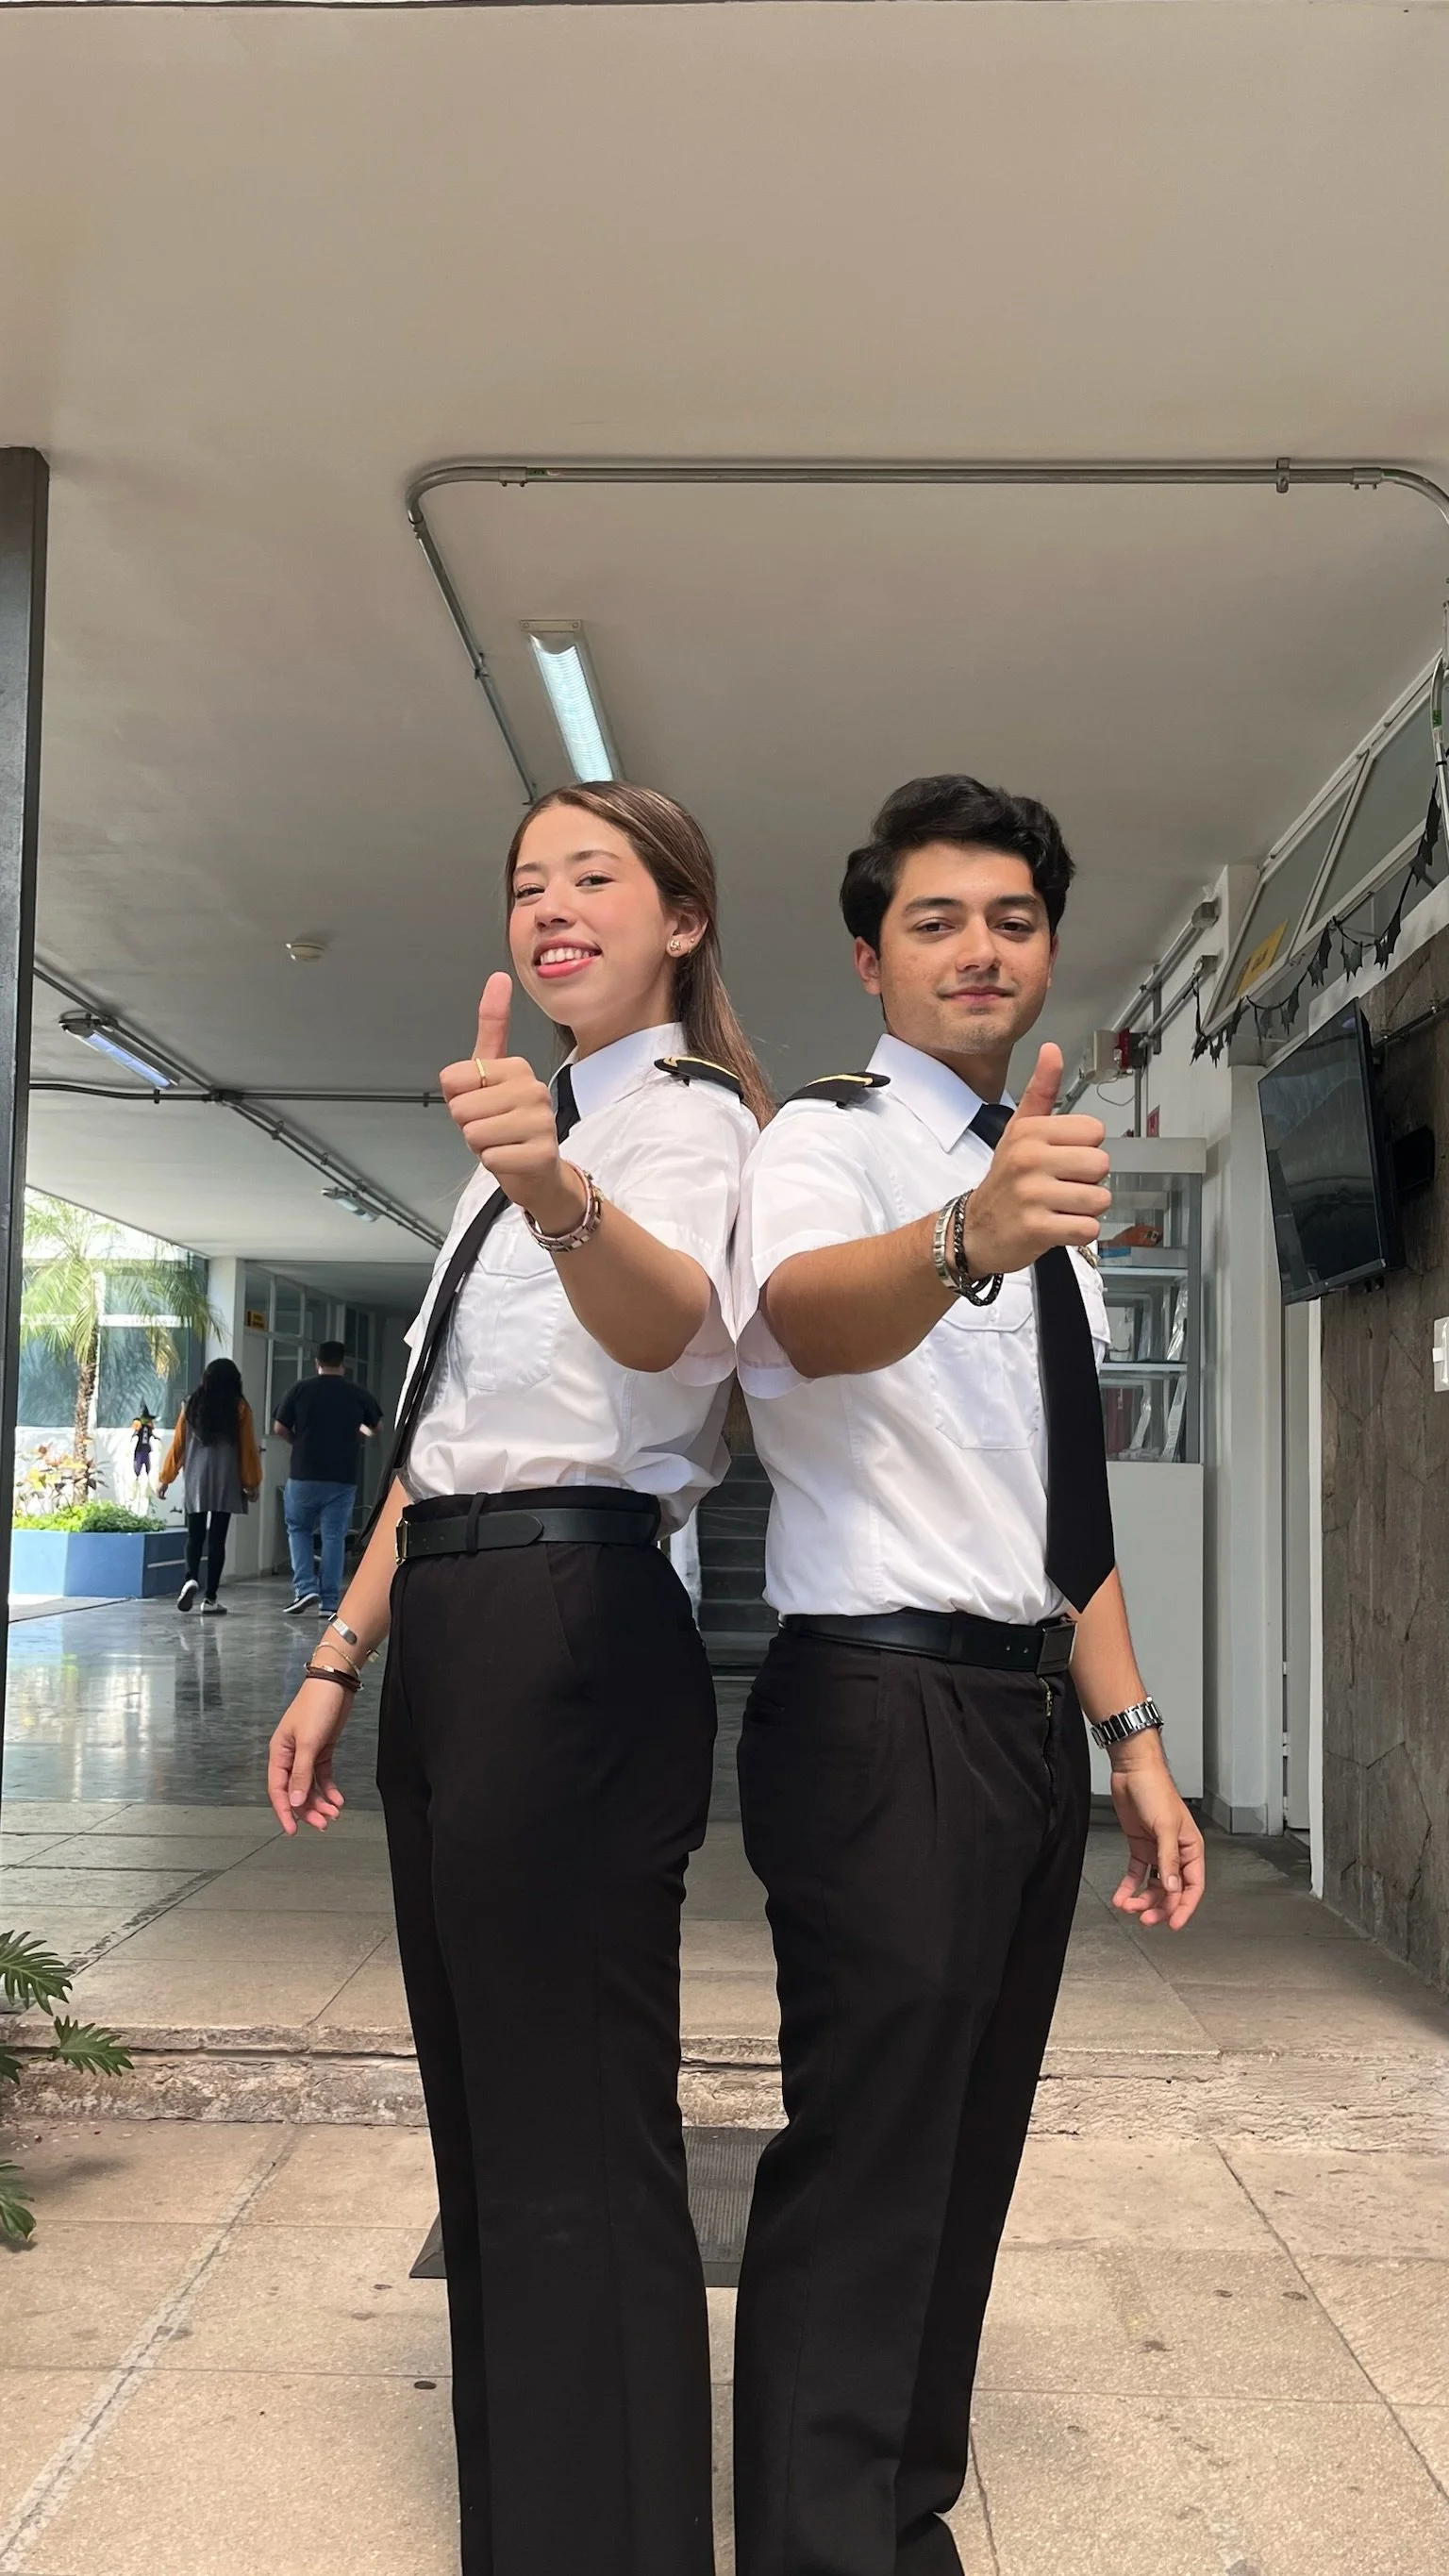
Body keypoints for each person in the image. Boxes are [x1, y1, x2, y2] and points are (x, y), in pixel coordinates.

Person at [266, 782, 771, 2576]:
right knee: (487, 2115)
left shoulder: (691, 1124)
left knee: (575, 2116)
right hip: (466, 1625)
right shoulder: (535, 1134)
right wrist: (339, 1654)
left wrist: (552, 1183)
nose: (550, 908)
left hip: (573, 1617)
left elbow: (672, 1336)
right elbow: (436, 1448)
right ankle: (537, 2531)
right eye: (524, 885)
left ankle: (613, 2539)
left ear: (682, 920)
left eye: (595, 879)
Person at [730, 774, 1206, 2576]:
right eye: (935, 920)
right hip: (877, 1709)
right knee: (868, 2163)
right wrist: (966, 1238)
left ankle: (898, 2519)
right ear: (872, 958)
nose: (978, 947)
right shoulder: (832, 1147)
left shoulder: (1034, 1178)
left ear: (1048, 950)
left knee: (965, 2153)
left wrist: (1137, 1748)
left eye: (1010, 918)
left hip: (1018, 1718)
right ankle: (816, 2546)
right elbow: (798, 1318)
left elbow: (1052, 1513)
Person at [272, 1340, 382, 1620]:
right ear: (343, 1363)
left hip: (304, 1472)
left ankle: (305, 1588)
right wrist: (358, 1436)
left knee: (298, 1529)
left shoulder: (300, 1389)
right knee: (334, 1536)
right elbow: (376, 1427)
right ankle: (330, 1602)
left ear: (317, 1362)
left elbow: (279, 1428)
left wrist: (298, 1442)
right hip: (342, 1475)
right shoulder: (356, 1393)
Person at [158, 1356, 261, 1614]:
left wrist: (165, 1478)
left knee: (194, 1535)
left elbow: (178, 1445)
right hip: (226, 1479)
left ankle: (190, 1577)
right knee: (217, 1539)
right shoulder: (239, 1408)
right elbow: (247, 1447)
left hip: (196, 1479)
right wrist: (251, 1482)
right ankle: (211, 1599)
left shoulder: (191, 1404)